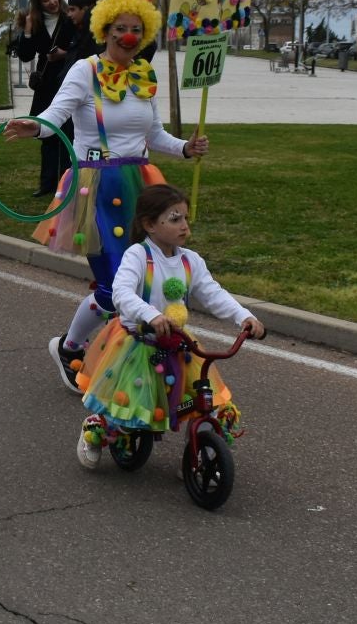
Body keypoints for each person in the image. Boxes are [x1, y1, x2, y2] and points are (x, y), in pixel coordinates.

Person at [3, 0, 209, 392]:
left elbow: (153, 136)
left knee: (145, 281)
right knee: (117, 286)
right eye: (121, 29)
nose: (129, 36)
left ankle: (132, 365)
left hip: (141, 185)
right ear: (105, 30)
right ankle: (71, 348)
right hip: (96, 188)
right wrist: (35, 128)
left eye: (136, 29)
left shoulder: (144, 75)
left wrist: (185, 149)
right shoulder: (85, 70)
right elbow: (56, 115)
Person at [74, 184, 266, 468]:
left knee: (207, 403)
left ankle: (198, 454)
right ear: (150, 224)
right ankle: (94, 431)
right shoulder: (138, 256)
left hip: (178, 344)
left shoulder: (190, 260)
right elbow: (122, 293)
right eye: (175, 219)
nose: (184, 226)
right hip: (138, 344)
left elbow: (213, 293)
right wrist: (150, 315)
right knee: (127, 410)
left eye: (185, 218)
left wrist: (244, 316)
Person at [12, 0, 78, 196]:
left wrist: (64, 54)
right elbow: (25, 55)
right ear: (38, 5)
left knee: (68, 133)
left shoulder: (70, 18)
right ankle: (47, 184)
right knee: (47, 134)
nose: (52, 2)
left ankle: (65, 182)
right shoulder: (37, 23)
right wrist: (28, 30)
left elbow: (81, 49)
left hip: (69, 80)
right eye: (46, 0)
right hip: (46, 84)